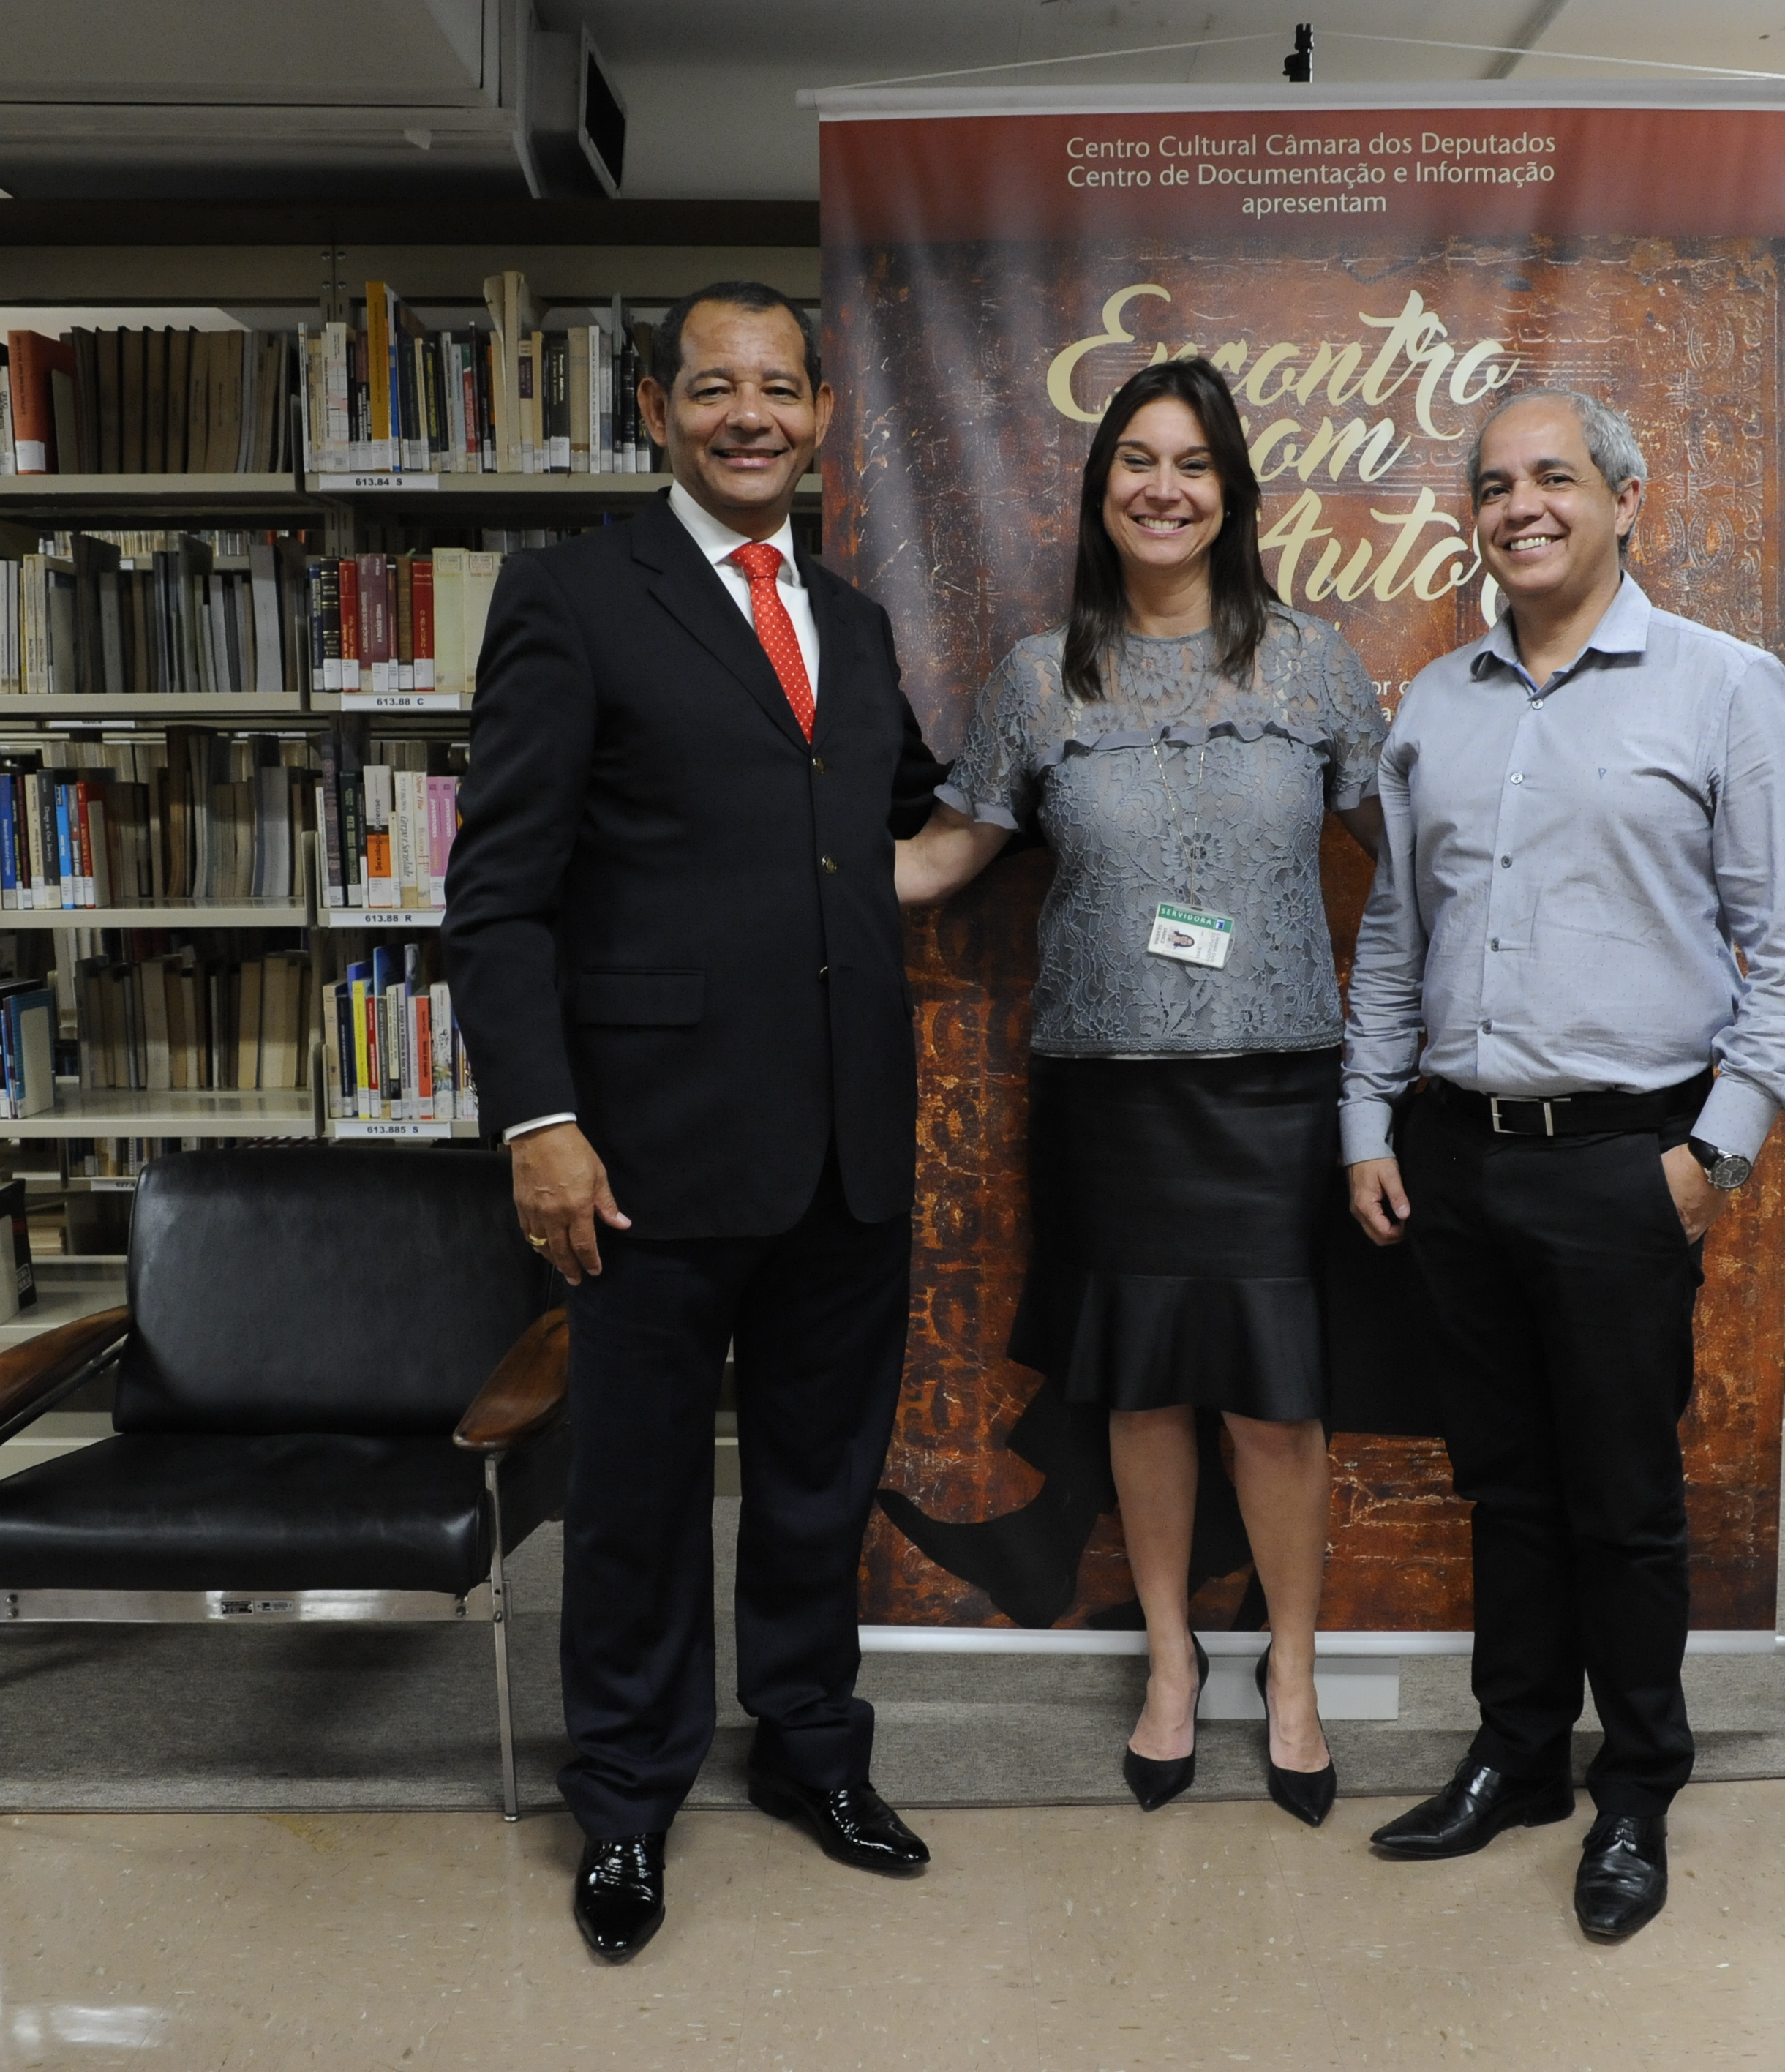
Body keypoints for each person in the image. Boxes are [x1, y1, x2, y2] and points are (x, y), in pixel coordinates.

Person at [443, 279, 944, 1962]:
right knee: (642, 1495)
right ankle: (629, 1802)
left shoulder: (855, 626)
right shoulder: (571, 599)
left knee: (820, 1482)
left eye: (781, 389)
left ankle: (811, 1752)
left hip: (846, 1143)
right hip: (641, 1153)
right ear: (657, 411)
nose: (751, 414)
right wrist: (539, 1121)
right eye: (715, 386)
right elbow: (498, 896)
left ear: (820, 419)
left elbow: (888, 827)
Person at [1339, 386, 1785, 1941]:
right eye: (1493, 484)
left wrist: (1712, 1157)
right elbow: (1390, 938)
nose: (1521, 506)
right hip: (1456, 1162)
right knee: (1502, 1487)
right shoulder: (1432, 704)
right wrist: (1367, 1120)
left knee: (1621, 1498)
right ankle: (1517, 1755)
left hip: (1629, 1163)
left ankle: (1636, 1782)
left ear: (1628, 499)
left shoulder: (1722, 690)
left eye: (1554, 477)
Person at [898, 356, 1388, 1827]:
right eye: (1135, 461)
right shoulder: (1038, 681)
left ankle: (1288, 1674)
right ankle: (1170, 1662)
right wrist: (747, 870)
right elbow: (935, 861)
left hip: (1274, 1100)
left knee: (1273, 1413)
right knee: (1145, 1395)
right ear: (1102, 489)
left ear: (1231, 493)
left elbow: (1420, 860)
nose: (1161, 488)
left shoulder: (1310, 666)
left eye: (1190, 464)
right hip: (1110, 1103)